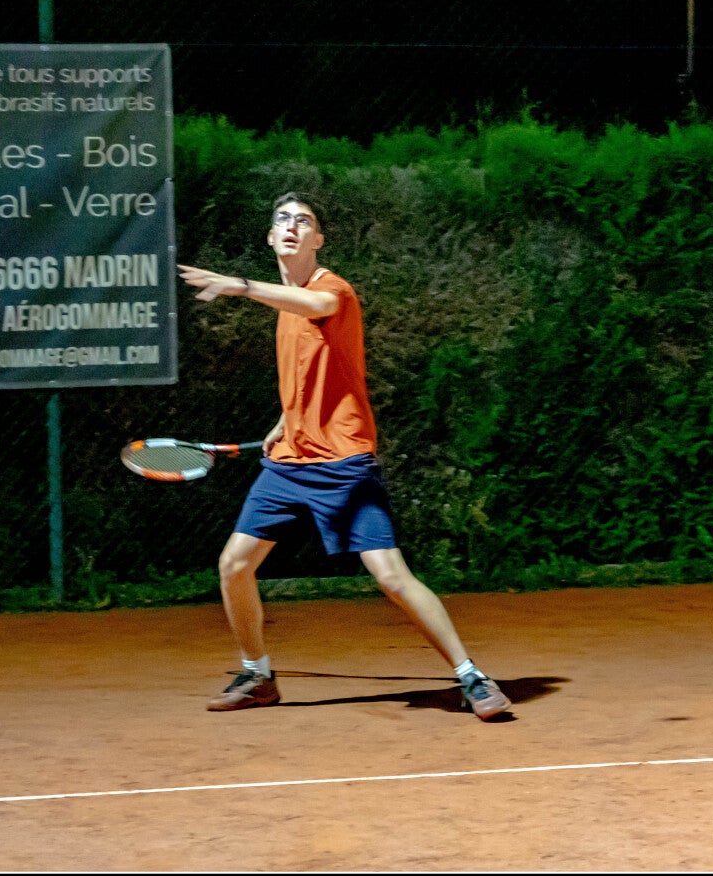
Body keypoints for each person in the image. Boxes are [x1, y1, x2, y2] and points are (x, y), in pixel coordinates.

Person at [177, 192, 512, 721]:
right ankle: (257, 674)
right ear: (271, 237)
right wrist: (284, 423)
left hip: (344, 464)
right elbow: (310, 378)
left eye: (303, 221)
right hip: (289, 465)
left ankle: (471, 675)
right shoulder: (285, 306)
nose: (291, 226)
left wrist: (239, 285)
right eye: (282, 219)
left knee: (391, 576)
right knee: (234, 565)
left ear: (318, 239)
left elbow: (318, 308)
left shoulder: (332, 290)